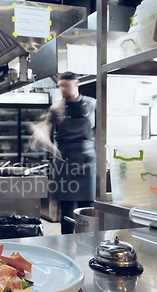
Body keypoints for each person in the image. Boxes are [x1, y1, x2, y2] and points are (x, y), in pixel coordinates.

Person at [28, 72, 96, 234]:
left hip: (87, 160)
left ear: (77, 84)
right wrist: (48, 144)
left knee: (87, 207)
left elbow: (101, 130)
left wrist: (103, 154)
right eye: (60, 86)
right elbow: (46, 131)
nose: (63, 89)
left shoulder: (92, 104)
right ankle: (67, 242)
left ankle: (87, 241)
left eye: (66, 85)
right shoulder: (56, 108)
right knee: (65, 208)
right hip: (64, 159)